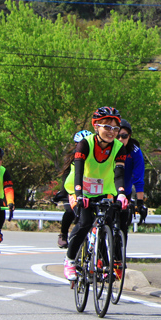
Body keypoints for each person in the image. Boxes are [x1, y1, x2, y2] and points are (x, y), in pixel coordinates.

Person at [62, 107, 131, 281]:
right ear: (96, 126)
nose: (111, 132)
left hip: (104, 190)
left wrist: (121, 194)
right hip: (81, 189)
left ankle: (104, 263)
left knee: (106, 223)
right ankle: (70, 260)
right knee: (85, 222)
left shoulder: (119, 147)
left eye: (115, 129)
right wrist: (78, 195)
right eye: (107, 127)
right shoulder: (85, 143)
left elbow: (119, 174)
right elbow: (78, 171)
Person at [55, 130, 93, 249]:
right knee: (70, 212)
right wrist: (62, 192)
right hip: (71, 189)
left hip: (88, 190)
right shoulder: (71, 159)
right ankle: (63, 234)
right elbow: (66, 178)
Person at [117, 119, 148, 246]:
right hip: (107, 189)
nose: (120, 139)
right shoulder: (109, 148)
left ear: (129, 136)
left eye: (124, 136)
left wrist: (140, 203)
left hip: (126, 191)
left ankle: (118, 259)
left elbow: (139, 178)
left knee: (123, 225)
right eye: (117, 135)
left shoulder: (135, 151)